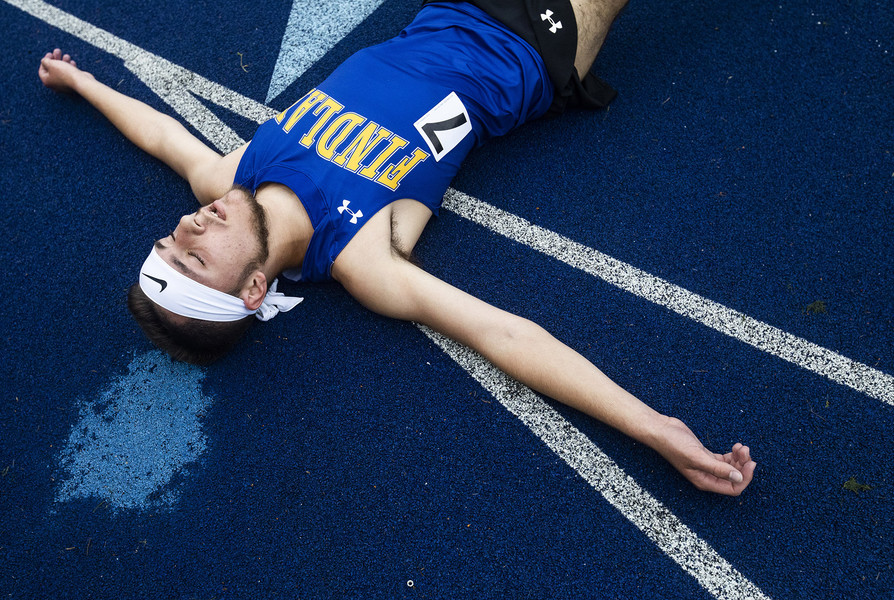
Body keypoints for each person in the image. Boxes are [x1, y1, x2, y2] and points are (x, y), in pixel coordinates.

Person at [38, 0, 756, 496]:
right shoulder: (362, 258)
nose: (190, 227)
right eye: (194, 257)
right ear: (254, 291)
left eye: (173, 237)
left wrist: (81, 80)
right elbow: (504, 333)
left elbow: (160, 134)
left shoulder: (231, 174)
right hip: (531, 42)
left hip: (440, 13)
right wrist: (658, 431)